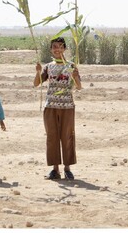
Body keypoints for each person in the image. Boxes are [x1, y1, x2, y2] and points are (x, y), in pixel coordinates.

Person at [33, 37, 82, 180]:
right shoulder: (48, 66)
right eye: (55, 47)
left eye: (60, 47)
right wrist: (38, 71)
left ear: (65, 49)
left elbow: (79, 86)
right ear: (51, 49)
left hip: (67, 106)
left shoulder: (72, 66)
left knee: (67, 136)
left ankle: (67, 168)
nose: (57, 49)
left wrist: (75, 77)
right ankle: (55, 169)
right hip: (50, 106)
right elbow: (37, 83)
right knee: (52, 137)